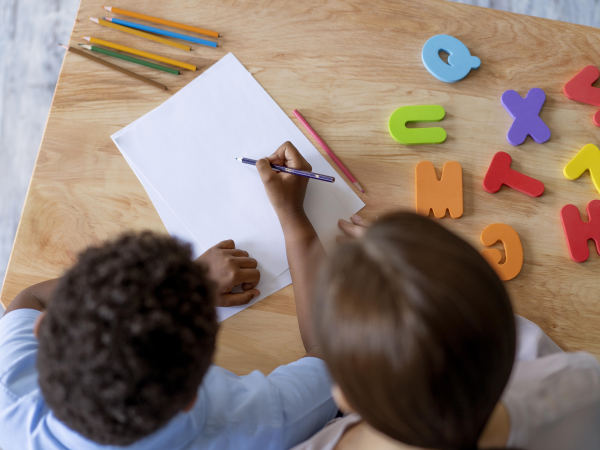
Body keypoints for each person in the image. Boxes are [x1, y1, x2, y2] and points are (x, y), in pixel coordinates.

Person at [0, 182, 338, 450]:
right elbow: (336, 359)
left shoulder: (9, 403)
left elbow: (29, 299)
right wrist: (293, 218)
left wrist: (182, 284)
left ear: (42, 330)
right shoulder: (261, 422)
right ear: (192, 397)